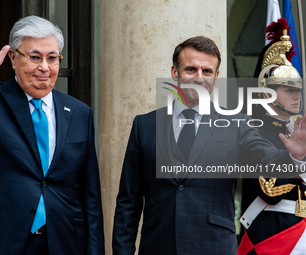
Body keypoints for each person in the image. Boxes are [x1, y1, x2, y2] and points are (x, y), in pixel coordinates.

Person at [112, 36, 306, 255]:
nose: (199, 78)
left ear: (216, 76)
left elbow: (267, 160)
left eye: (207, 71)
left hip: (214, 246)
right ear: (175, 73)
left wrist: (294, 158)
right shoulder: (144, 125)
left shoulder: (238, 123)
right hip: (158, 245)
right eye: (191, 69)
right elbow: (129, 201)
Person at [0, 16, 104, 255]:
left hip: (62, 241)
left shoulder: (81, 113)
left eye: (52, 58)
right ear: (13, 58)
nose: (44, 67)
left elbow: (90, 194)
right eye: (34, 57)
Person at [238, 24, 306, 254]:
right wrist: (296, 158)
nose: (297, 95)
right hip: (269, 238)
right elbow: (270, 189)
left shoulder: (296, 132)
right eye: (288, 90)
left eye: (298, 89)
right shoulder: (252, 130)